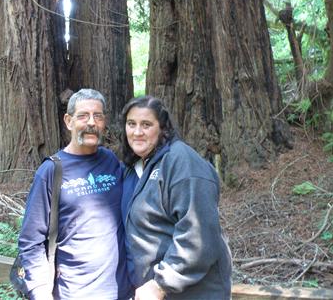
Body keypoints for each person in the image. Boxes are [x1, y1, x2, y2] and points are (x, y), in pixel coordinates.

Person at [18, 88, 133, 300]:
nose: (91, 122)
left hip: (121, 291)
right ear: (68, 121)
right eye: (83, 116)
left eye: (97, 116)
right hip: (74, 292)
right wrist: (40, 292)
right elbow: (30, 241)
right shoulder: (51, 171)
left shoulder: (111, 162)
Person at [120, 96, 232, 300]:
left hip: (193, 293)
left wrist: (161, 284)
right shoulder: (135, 169)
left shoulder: (181, 162)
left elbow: (198, 235)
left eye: (146, 124)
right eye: (131, 124)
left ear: (163, 128)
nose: (137, 132)